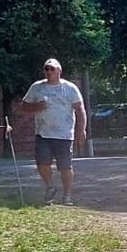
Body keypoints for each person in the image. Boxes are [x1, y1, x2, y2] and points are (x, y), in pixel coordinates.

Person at [17, 58, 86, 204]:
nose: (49, 71)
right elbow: (23, 106)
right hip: (43, 133)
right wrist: (36, 107)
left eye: (52, 69)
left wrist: (81, 130)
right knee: (42, 163)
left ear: (59, 71)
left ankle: (67, 195)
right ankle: (50, 187)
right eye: (46, 69)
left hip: (64, 134)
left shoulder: (69, 88)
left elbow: (80, 109)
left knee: (65, 166)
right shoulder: (37, 87)